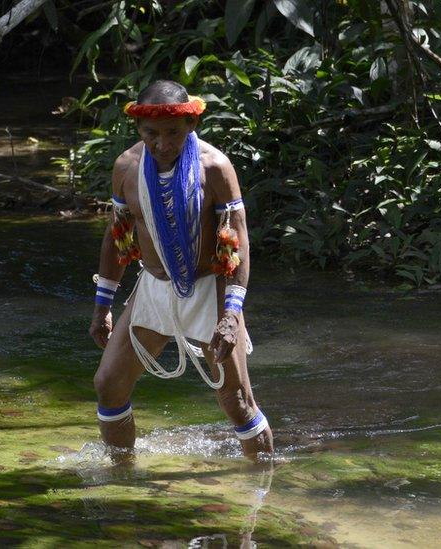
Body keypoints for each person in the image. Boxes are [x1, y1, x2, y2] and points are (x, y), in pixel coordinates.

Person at [87, 79, 273, 461]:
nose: (162, 143)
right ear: (139, 129)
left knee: (237, 402)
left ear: (191, 125)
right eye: (150, 133)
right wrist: (102, 306)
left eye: (172, 132)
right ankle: (122, 480)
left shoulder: (215, 168)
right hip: (153, 287)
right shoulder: (127, 167)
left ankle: (265, 490)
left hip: (209, 289)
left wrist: (231, 315)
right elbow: (116, 236)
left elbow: (238, 241)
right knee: (108, 385)